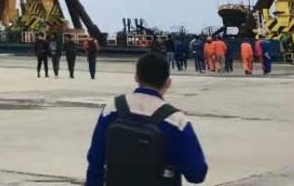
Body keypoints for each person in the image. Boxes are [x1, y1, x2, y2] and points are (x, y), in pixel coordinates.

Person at [84, 51, 208, 186]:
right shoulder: (176, 121)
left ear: (136, 77)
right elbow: (197, 174)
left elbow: (95, 160)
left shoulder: (112, 109)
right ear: (168, 83)